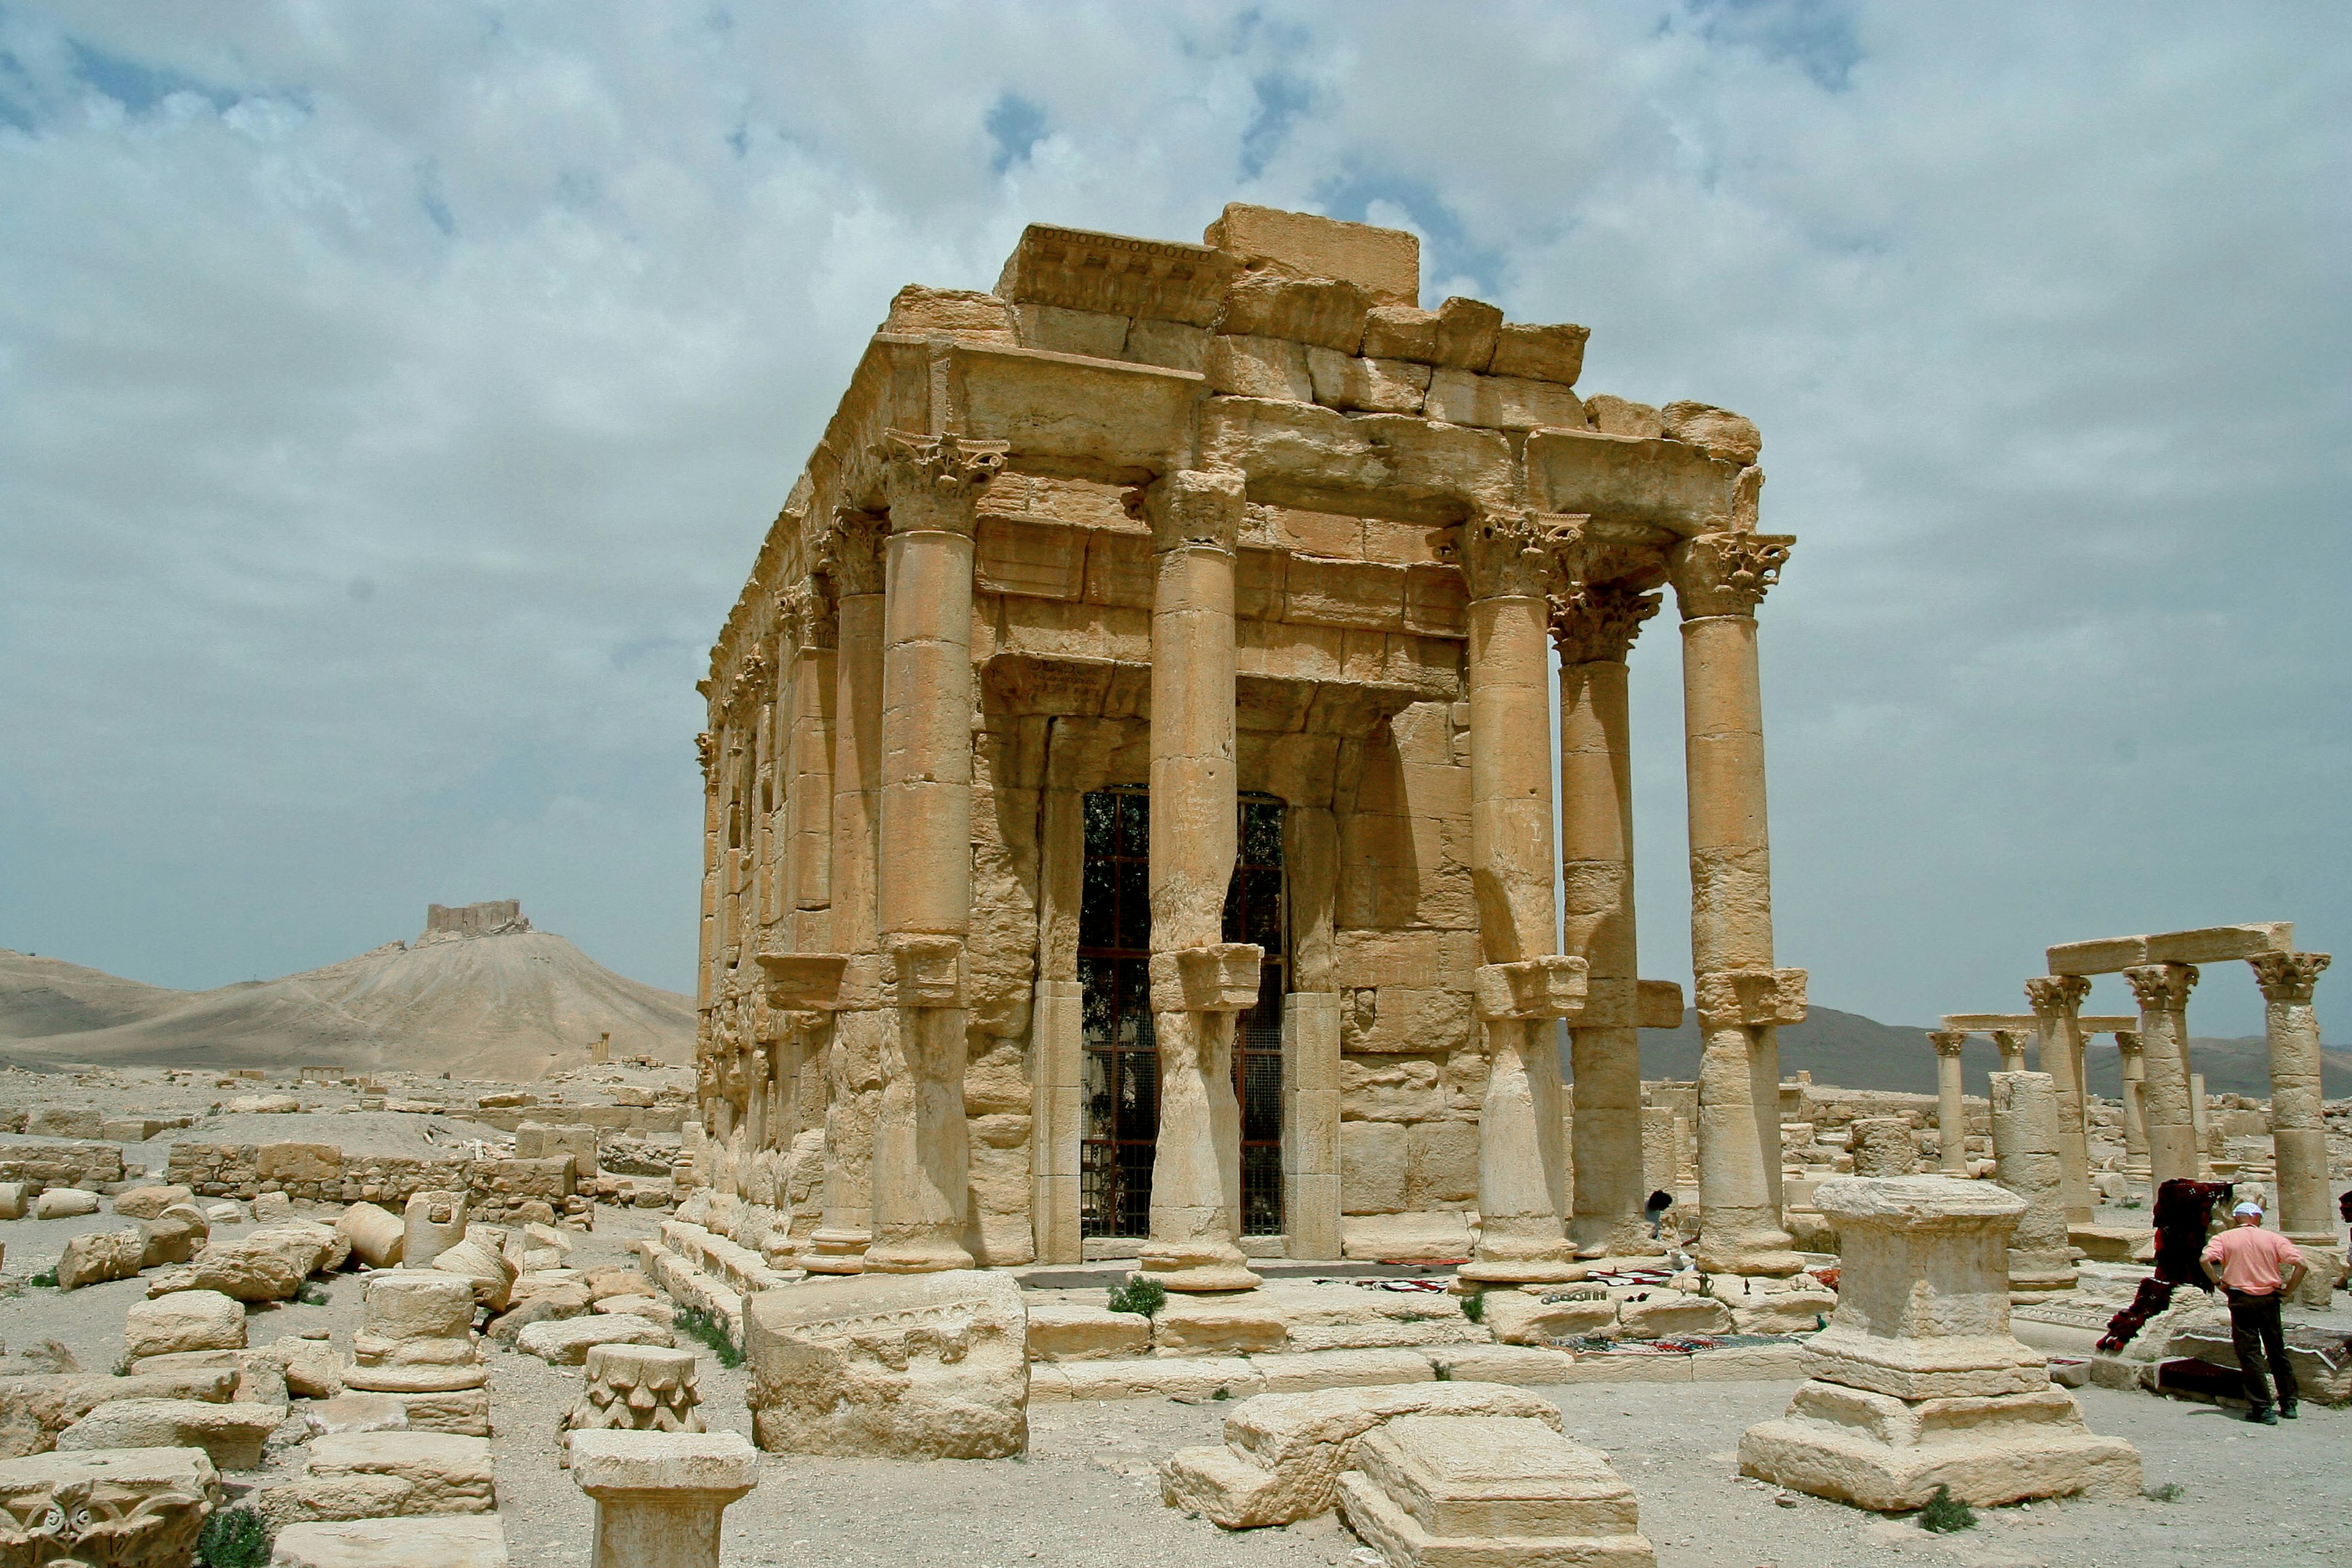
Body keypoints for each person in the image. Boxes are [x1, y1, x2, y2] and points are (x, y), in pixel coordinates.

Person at [2201, 1199, 2306, 1423]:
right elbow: (2302, 1264)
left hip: (2241, 1299)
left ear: (2237, 1218)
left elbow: (2205, 1259)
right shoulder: (2273, 1238)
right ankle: (2289, 1403)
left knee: (2250, 1354)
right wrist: (2289, 1290)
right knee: (2277, 1349)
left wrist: (2218, 1283)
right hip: (2269, 1298)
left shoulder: (2224, 1238)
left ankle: (2262, 1407)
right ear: (2257, 1218)